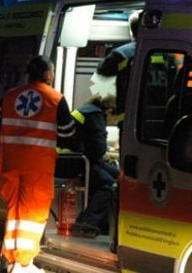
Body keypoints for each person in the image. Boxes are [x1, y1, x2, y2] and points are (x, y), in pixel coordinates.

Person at [0, 56, 76, 273]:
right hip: (37, 165)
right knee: (31, 215)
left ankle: (11, 258)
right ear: (47, 74)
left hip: (11, 163)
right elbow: (68, 135)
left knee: (14, 212)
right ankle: (23, 264)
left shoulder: (10, 96)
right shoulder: (54, 99)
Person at [69, 96, 119, 236]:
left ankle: (102, 223)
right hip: (76, 161)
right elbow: (99, 147)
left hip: (76, 158)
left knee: (120, 176)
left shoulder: (88, 111)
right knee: (110, 185)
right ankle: (86, 223)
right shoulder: (96, 115)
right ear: (109, 111)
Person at [97, 10, 141, 140]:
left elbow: (103, 71)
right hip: (156, 118)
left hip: (128, 118)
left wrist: (102, 56)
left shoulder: (122, 53)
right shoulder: (165, 53)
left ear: (131, 31)